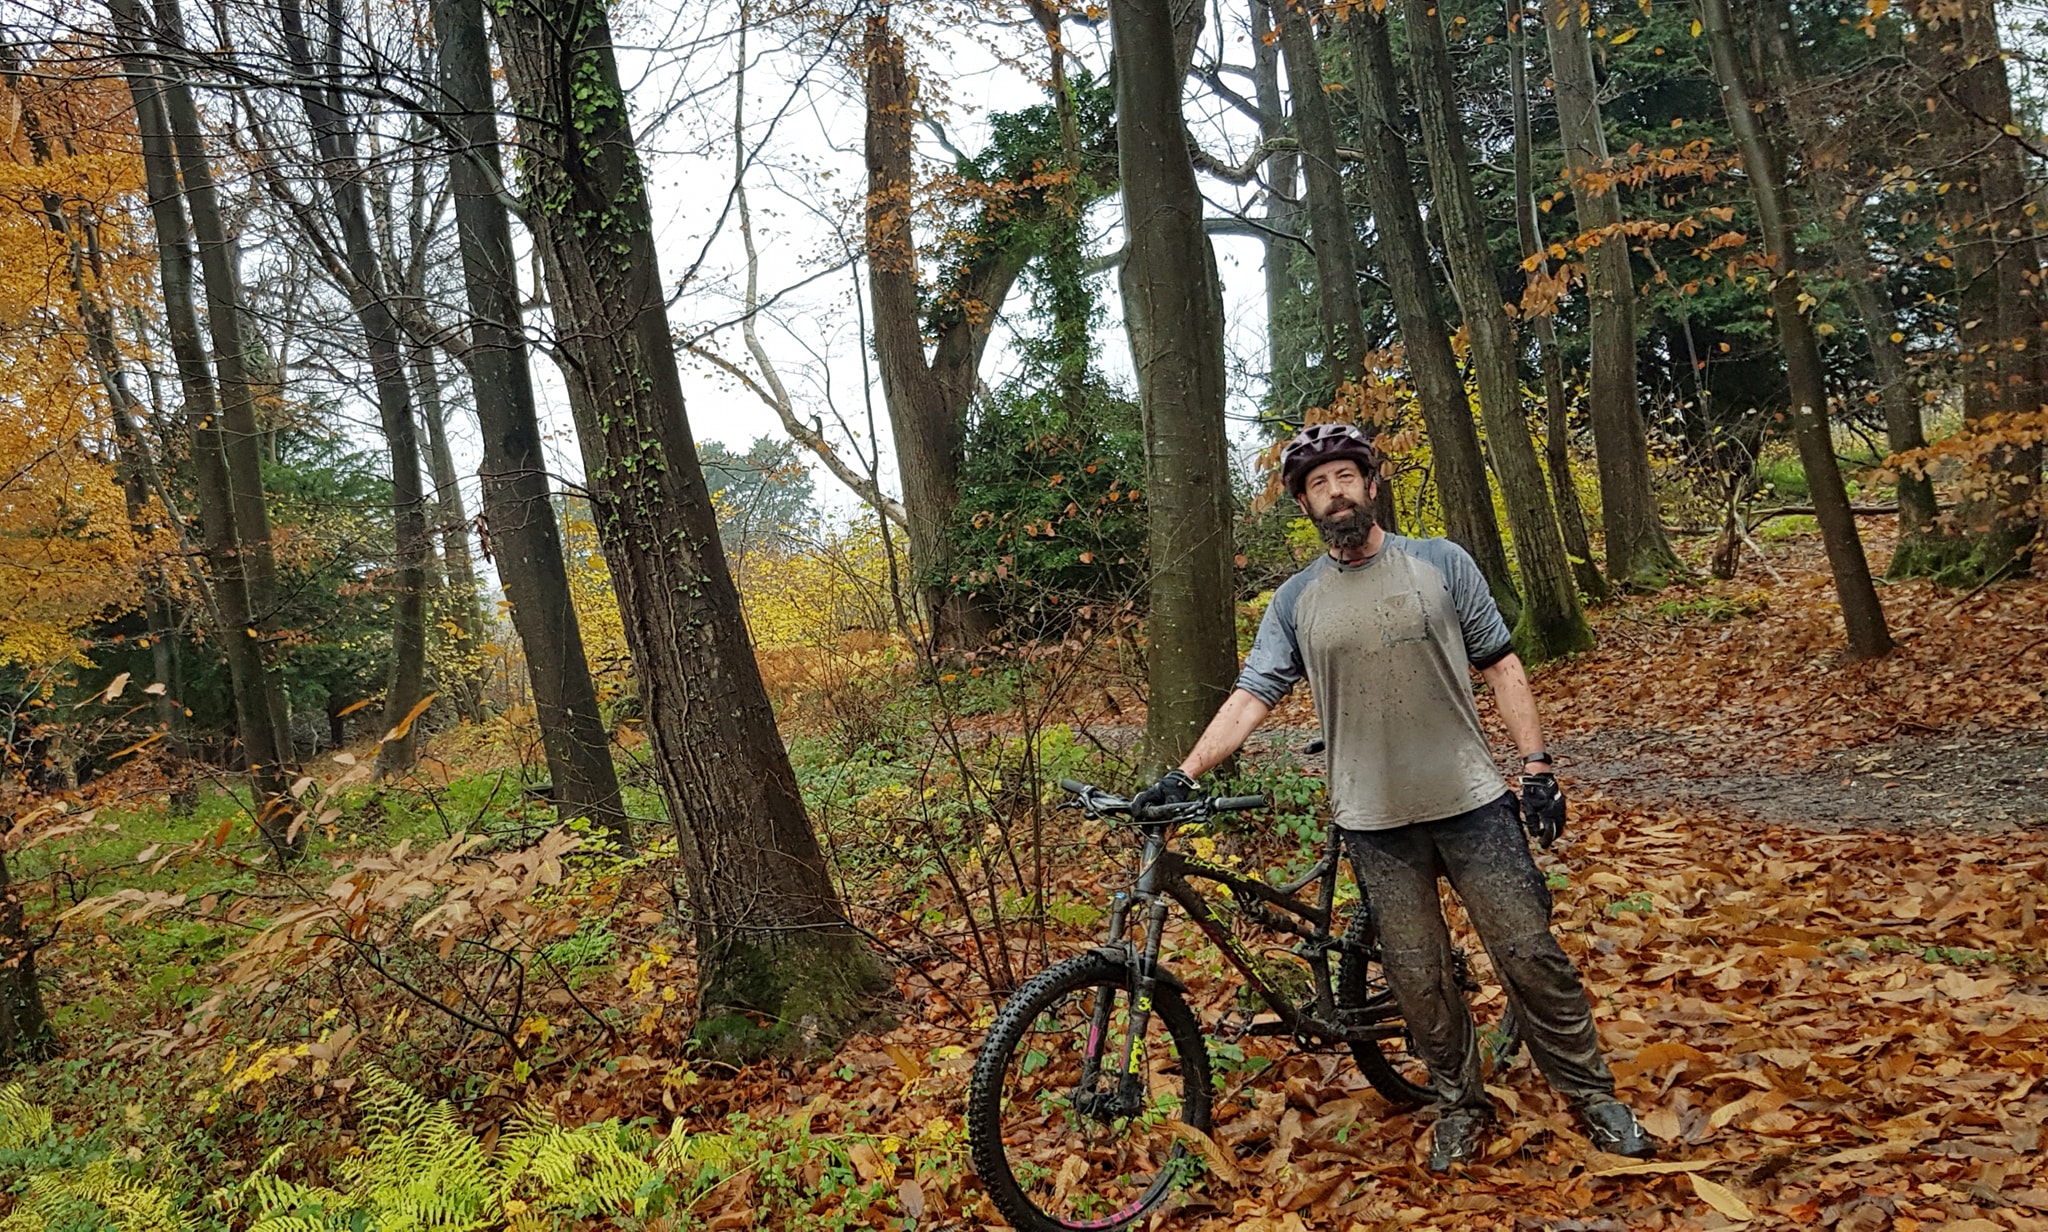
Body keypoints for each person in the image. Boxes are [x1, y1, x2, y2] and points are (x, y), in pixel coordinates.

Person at [1131, 423, 1655, 1172]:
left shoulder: (1440, 564)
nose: (1334, 491)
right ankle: (1458, 1106)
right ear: (1306, 507)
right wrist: (1185, 772)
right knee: (1417, 980)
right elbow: (1254, 694)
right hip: (1373, 822)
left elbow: (1502, 664)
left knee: (1531, 954)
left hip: (1472, 801)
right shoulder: (1295, 601)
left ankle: (1593, 1096)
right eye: (1317, 484)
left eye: (1345, 476)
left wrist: (1537, 767)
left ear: (1371, 485)